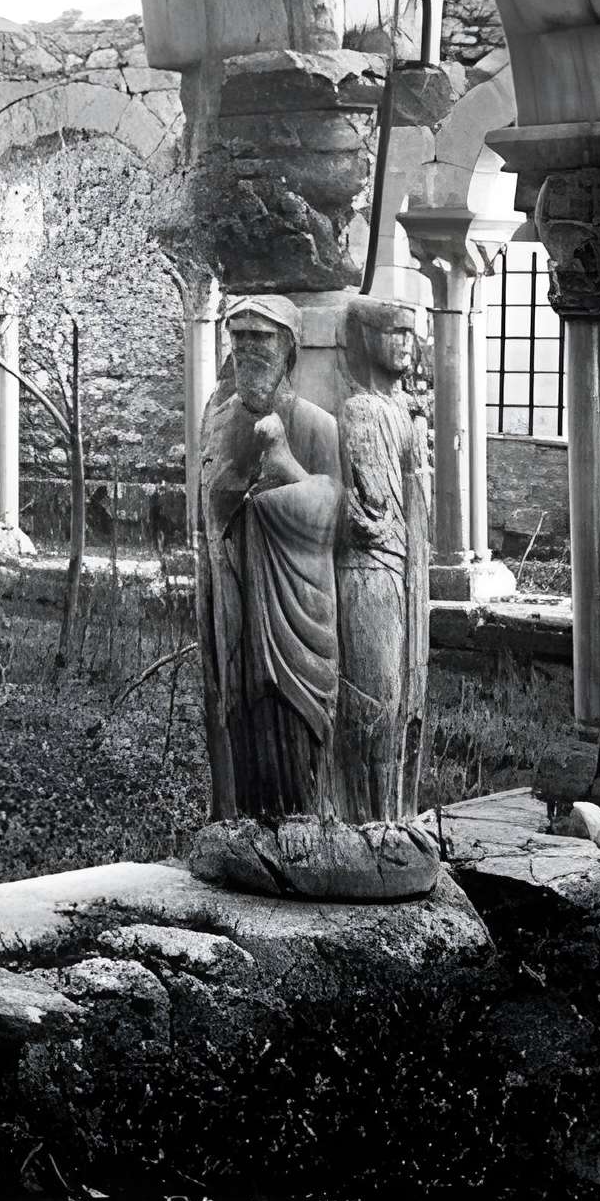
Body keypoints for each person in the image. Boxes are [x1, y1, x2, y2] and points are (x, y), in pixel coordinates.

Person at [196, 295, 342, 822]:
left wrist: (285, 475)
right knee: (238, 713)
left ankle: (302, 826)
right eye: (239, 337)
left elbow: (334, 509)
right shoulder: (218, 420)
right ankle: (242, 822)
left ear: (290, 348)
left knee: (289, 725)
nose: (248, 348)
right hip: (231, 587)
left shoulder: (317, 425)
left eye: (262, 337)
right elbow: (209, 504)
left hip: (294, 603)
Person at [336, 298, 429, 821]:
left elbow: (415, 502)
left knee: (403, 700)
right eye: (394, 332)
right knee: (374, 696)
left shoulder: (405, 410)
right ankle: (368, 817)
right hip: (373, 571)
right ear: (367, 338)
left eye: (410, 334)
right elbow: (371, 509)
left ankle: (394, 814)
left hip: (405, 569)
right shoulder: (361, 411)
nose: (405, 344)